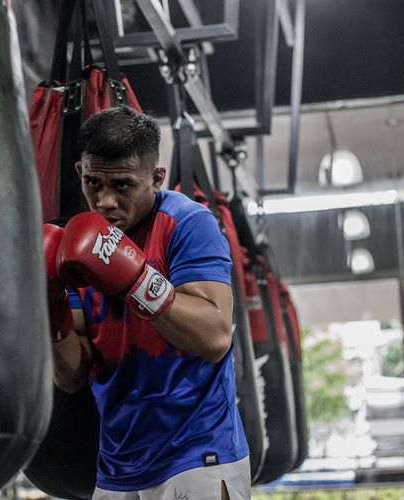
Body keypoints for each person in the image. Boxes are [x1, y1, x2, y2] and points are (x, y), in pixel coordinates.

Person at [43, 106, 250, 499]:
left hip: (198, 451)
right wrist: (51, 303)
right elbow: (71, 377)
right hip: (118, 463)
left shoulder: (188, 224)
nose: (104, 201)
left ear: (156, 178)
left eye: (122, 185)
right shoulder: (74, 247)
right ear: (79, 173)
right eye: (93, 183)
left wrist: (135, 278)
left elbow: (215, 336)